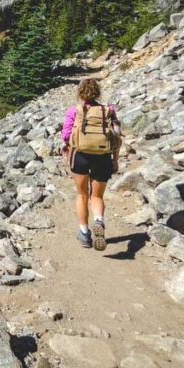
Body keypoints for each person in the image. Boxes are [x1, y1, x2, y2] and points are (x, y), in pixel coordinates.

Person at [61, 78, 121, 250]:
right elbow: (117, 138)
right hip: (102, 156)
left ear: (80, 93)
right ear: (98, 93)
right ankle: (99, 221)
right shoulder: (109, 111)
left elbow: (65, 136)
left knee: (82, 195)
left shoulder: (74, 111)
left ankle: (84, 233)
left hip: (79, 155)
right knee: (97, 196)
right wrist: (115, 160)